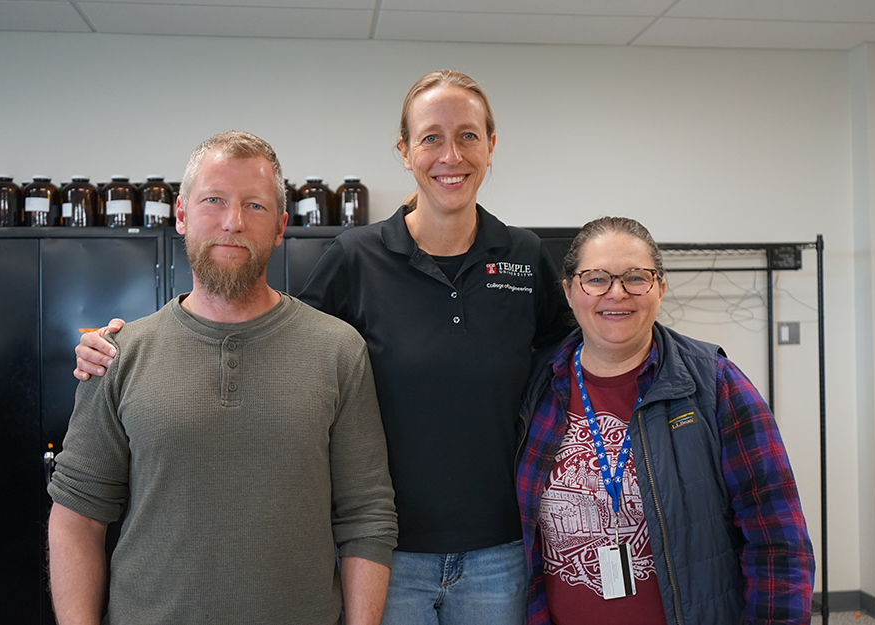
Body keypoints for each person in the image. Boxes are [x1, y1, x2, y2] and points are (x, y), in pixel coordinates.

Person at [73, 71, 570, 625]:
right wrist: (137, 345)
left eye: (469, 136)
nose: (450, 154)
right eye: (430, 137)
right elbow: (280, 341)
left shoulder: (525, 257)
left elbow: (570, 360)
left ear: (491, 145)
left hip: (499, 549)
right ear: (404, 151)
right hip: (388, 554)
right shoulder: (357, 257)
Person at [48, 130, 398, 624]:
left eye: (254, 206)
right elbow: (77, 519)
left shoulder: (338, 350)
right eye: (214, 200)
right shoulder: (118, 354)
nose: (233, 222)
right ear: (182, 215)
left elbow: (366, 516)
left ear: (280, 227)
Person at [516, 216, 816, 625]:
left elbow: (778, 543)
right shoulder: (538, 386)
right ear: (569, 291)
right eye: (597, 278)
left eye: (636, 277)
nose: (617, 293)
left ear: (660, 287)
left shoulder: (716, 385)